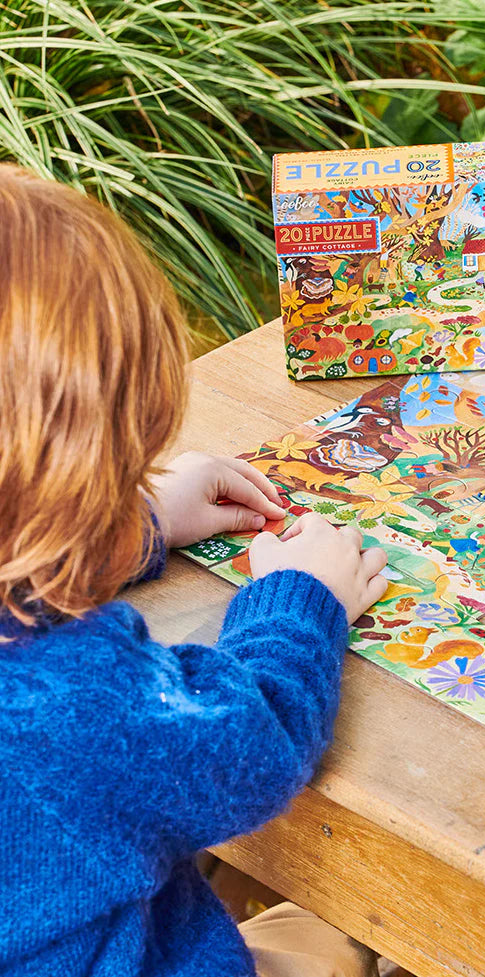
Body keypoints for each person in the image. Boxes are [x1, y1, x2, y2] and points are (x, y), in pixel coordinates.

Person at [0, 164, 388, 976]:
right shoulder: (71, 701)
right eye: (125, 469)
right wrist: (301, 601)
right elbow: (251, 746)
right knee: (350, 936)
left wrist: (133, 523)